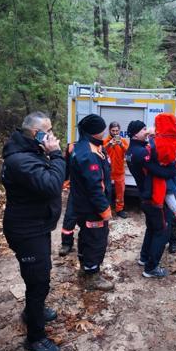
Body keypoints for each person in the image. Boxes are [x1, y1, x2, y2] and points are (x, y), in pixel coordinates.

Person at [1, 112, 66, 351]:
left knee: (40, 276)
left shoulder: (31, 152)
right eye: (46, 131)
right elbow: (51, 184)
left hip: (37, 226)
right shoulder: (20, 160)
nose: (51, 135)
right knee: (38, 283)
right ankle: (35, 337)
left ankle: (32, 311)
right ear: (33, 133)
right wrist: (56, 154)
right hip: (27, 231)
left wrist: (50, 156)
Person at [66, 114, 114, 291]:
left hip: (83, 205)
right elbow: (95, 186)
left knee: (87, 236)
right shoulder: (89, 154)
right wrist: (104, 209)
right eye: (103, 128)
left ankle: (86, 267)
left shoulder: (87, 146)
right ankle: (91, 276)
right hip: (92, 208)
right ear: (97, 131)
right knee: (96, 240)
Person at [126, 120, 176, 278]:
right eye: (143, 129)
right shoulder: (142, 152)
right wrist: (173, 167)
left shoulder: (133, 149)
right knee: (162, 230)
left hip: (145, 194)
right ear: (135, 133)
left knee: (152, 227)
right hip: (153, 196)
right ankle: (151, 267)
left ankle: (144, 257)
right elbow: (163, 172)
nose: (146, 131)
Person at [150, 113, 176, 229]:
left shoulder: (158, 143)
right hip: (173, 173)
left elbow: (155, 156)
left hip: (163, 174)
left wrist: (151, 139)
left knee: (169, 194)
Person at [103, 121, 128, 218]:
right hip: (107, 171)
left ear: (119, 131)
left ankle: (119, 209)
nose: (115, 133)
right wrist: (109, 144)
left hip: (119, 171)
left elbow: (129, 153)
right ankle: (106, 209)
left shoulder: (123, 141)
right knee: (106, 191)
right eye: (113, 130)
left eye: (117, 131)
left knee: (120, 192)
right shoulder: (105, 141)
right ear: (109, 130)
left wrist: (121, 144)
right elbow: (100, 151)